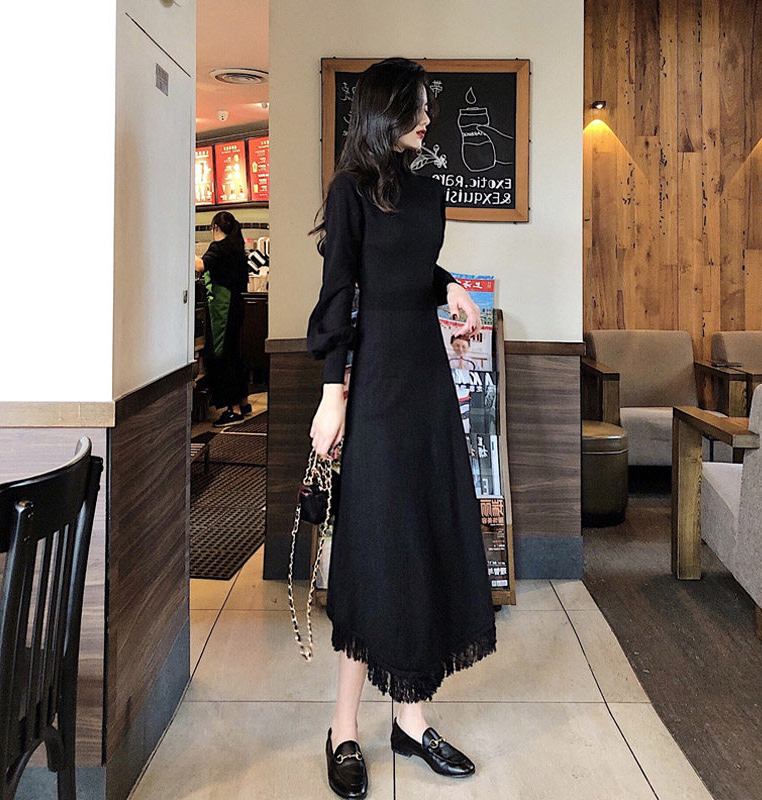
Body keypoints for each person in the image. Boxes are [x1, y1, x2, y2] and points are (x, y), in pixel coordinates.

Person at [306, 57, 496, 800]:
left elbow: (414, 270)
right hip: (376, 385)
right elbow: (341, 292)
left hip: (426, 383)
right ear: (386, 111)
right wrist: (332, 395)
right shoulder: (349, 191)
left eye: (427, 108)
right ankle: (344, 727)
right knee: (375, 546)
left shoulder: (428, 189)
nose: (427, 119)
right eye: (416, 107)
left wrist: (451, 288)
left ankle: (411, 721)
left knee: (422, 537)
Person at [195, 211, 251, 426]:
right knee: (234, 355)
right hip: (235, 307)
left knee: (221, 357)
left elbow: (200, 266)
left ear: (215, 228)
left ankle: (233, 409)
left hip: (222, 311)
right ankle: (243, 402)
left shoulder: (220, 247)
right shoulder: (236, 247)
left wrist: (183, 247)